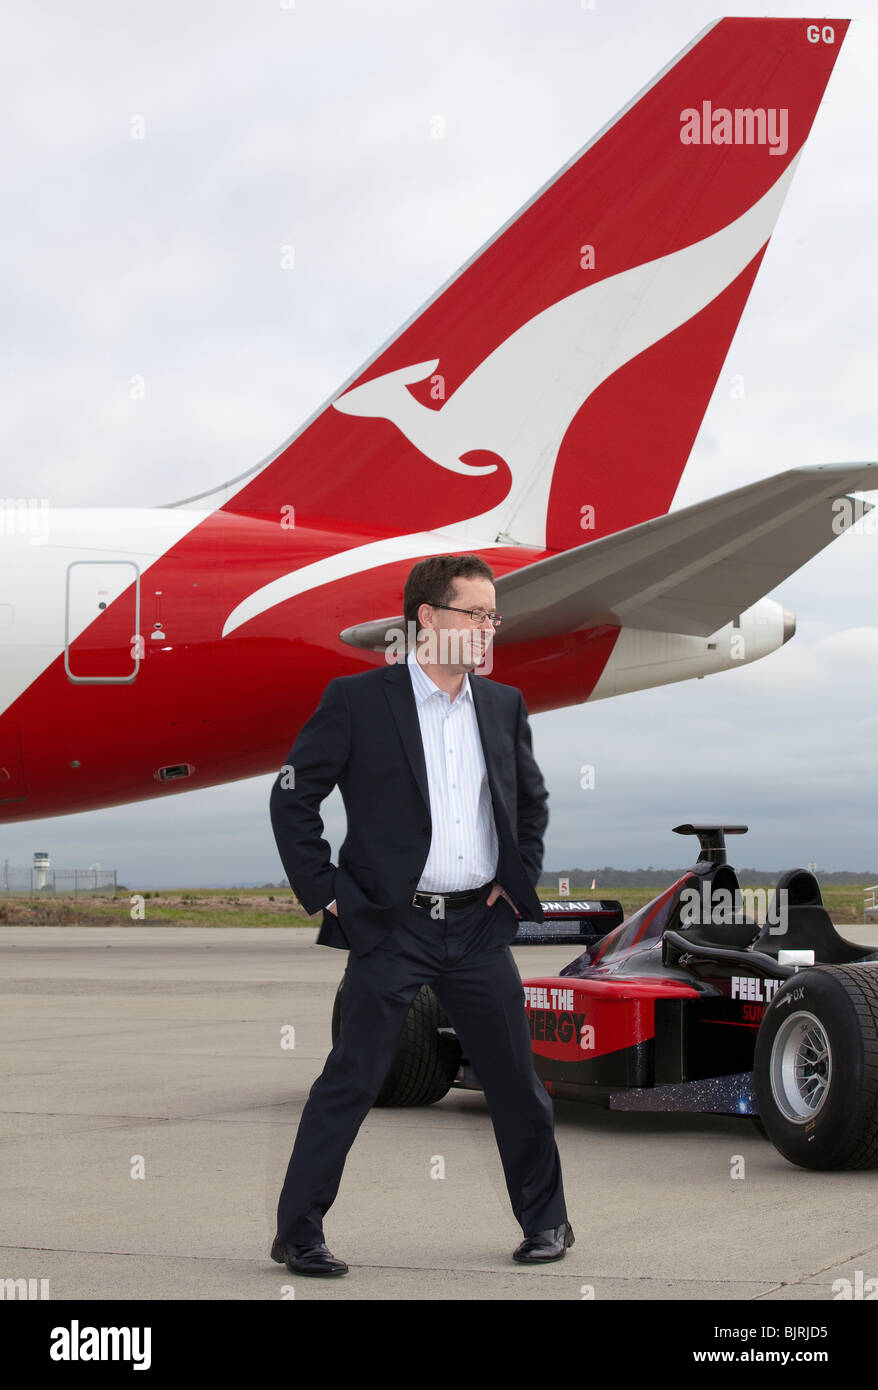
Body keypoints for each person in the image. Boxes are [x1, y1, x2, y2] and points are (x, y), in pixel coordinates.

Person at [268, 552, 572, 1275]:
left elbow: (530, 805)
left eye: (494, 615)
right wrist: (331, 892)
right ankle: (298, 1232)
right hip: (392, 926)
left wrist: (514, 884)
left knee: (516, 1083)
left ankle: (547, 1225)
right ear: (428, 620)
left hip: (476, 926)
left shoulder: (503, 706)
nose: (489, 627)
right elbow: (291, 797)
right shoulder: (356, 701)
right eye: (477, 613)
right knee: (352, 1078)